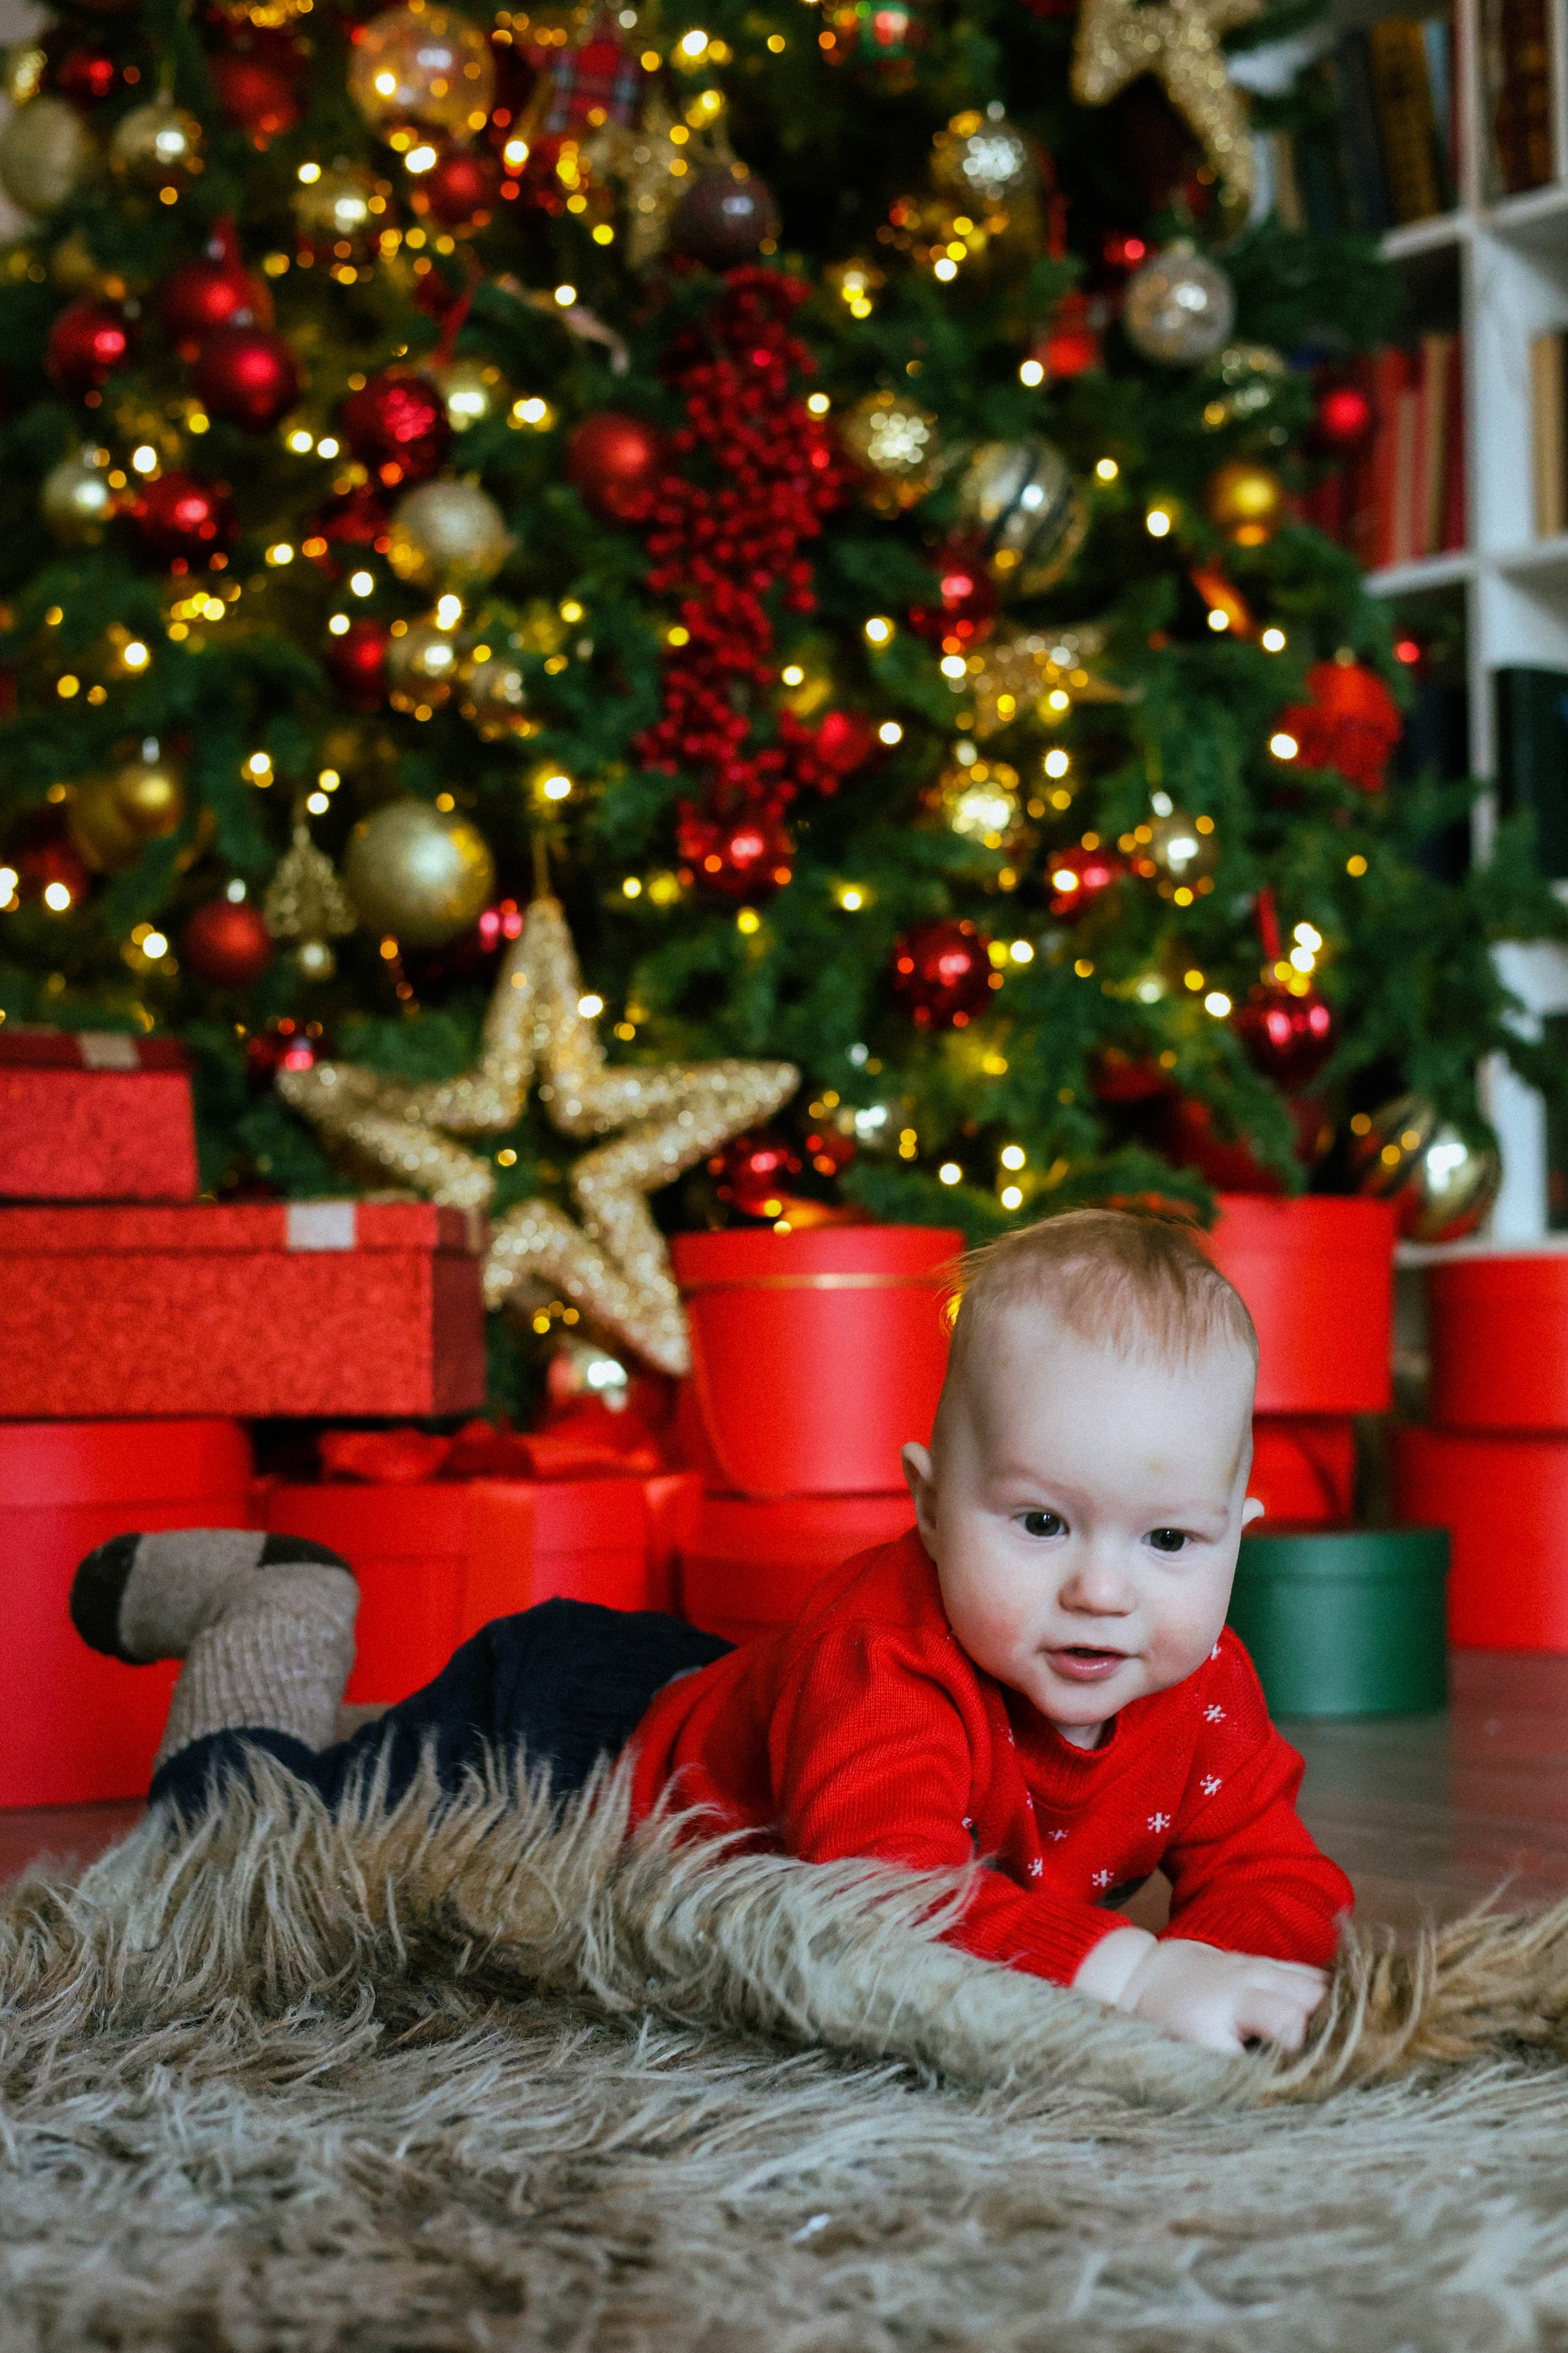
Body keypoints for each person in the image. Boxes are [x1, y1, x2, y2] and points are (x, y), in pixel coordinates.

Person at [71, 1208, 1350, 2055]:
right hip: (557, 1760)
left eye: (1169, 1541)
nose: (1103, 1591)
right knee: (239, 1857)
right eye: (1040, 1523)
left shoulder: (1203, 1687)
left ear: (1237, 1533)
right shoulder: (886, 1653)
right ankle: (278, 1606)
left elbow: (1277, 1873)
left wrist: (1229, 1977)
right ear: (925, 1504)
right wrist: (1130, 1979)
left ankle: (355, 1716)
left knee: (348, 1772)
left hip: (739, 1723)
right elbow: (881, 1901)